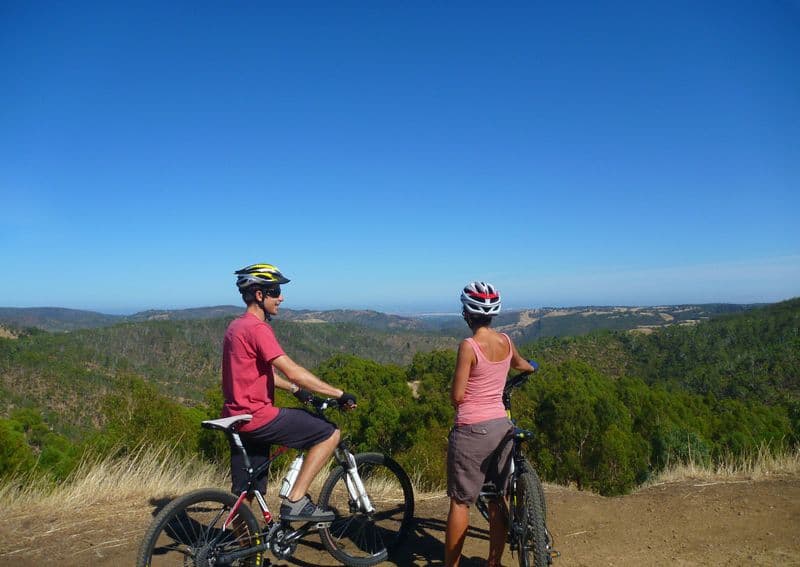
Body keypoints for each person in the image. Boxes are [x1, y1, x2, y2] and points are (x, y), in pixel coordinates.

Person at [221, 263, 357, 522]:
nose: (281, 297)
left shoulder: (235, 327)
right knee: (330, 433)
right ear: (259, 295)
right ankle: (296, 500)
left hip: (235, 418)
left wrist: (296, 391)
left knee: (245, 494)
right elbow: (293, 371)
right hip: (258, 417)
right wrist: (339, 394)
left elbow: (259, 374)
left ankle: (244, 546)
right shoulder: (258, 328)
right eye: (275, 291)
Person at [445, 281, 537, 567]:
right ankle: (493, 563)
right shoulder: (506, 341)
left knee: (461, 502)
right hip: (501, 427)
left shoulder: (469, 346)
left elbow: (457, 396)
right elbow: (521, 364)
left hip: (472, 430)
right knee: (497, 498)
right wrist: (533, 366)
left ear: (467, 313)